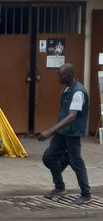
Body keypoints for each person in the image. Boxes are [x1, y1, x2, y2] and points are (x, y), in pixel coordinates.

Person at [37, 62, 92, 205]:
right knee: (48, 157)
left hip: (73, 133)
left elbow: (72, 116)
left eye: (60, 76)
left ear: (69, 75)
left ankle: (86, 194)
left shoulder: (78, 92)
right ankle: (60, 187)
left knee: (76, 163)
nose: (58, 79)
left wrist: (50, 130)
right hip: (62, 132)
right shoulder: (66, 88)